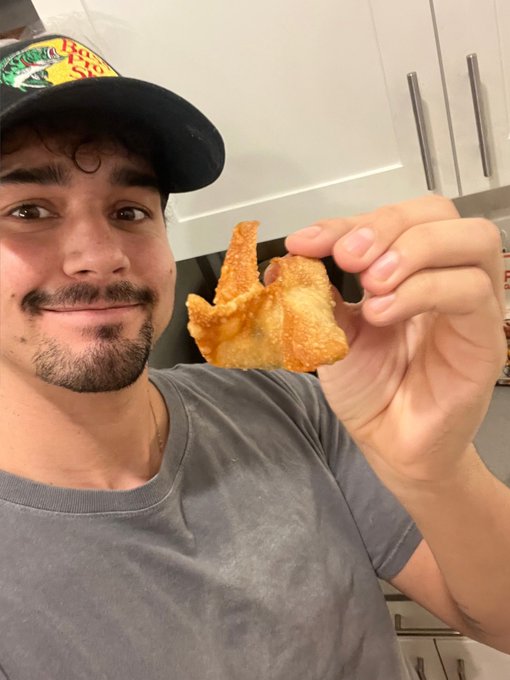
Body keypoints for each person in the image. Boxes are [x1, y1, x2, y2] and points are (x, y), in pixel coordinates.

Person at [0, 34, 509, 680]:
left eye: (130, 210)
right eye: (29, 210)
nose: (100, 256)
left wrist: (435, 469)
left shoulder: (291, 405)